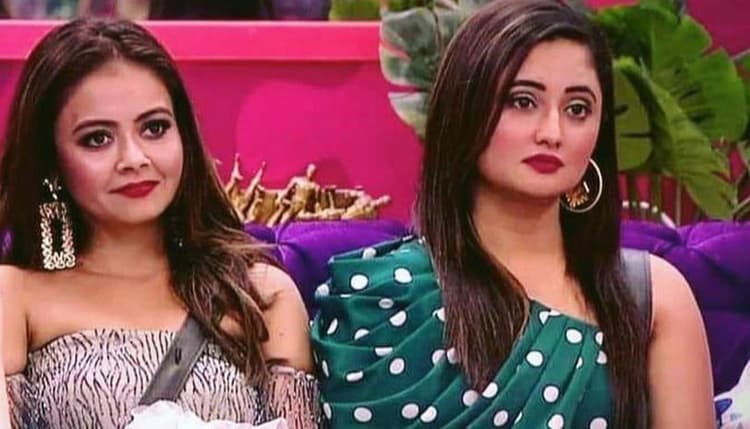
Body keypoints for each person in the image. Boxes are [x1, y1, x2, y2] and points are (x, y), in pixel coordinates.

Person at [311, 0, 715, 427]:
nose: (553, 132)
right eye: (523, 102)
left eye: (578, 109)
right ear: (465, 112)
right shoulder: (383, 296)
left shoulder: (653, 299)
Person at [0, 18, 319, 428]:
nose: (134, 158)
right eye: (97, 138)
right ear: (52, 162)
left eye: (155, 128)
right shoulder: (15, 295)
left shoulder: (260, 294)